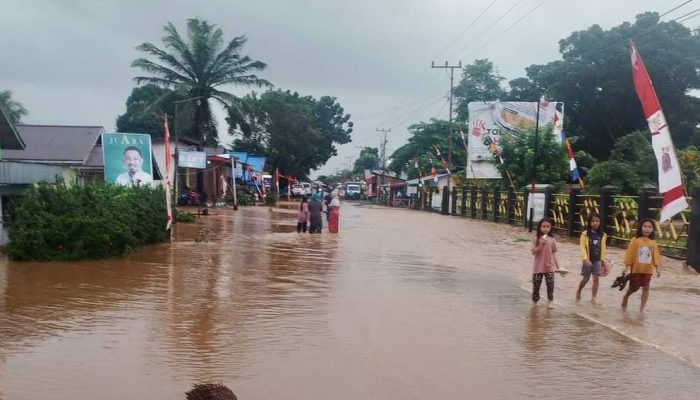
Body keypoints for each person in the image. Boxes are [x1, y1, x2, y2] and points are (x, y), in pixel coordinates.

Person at [621, 218, 661, 312]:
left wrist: (658, 268)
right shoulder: (635, 241)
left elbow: (656, 257)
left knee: (646, 288)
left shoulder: (653, 243)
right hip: (636, 269)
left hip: (647, 270)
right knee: (635, 288)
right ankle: (626, 296)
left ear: (652, 229)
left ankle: (642, 308)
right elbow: (629, 254)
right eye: (645, 226)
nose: (647, 229)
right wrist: (626, 266)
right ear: (641, 228)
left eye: (649, 227)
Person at [576, 213, 608, 304]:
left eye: (597, 221)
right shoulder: (585, 234)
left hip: (597, 260)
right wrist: (585, 259)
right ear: (589, 222)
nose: (595, 223)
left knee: (596, 279)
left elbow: (603, 247)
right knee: (585, 279)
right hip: (588, 260)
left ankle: (593, 297)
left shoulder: (603, 235)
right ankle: (579, 290)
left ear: (600, 222)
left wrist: (603, 260)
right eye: (593, 221)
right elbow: (582, 247)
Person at [530, 217, 562, 309]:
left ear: (550, 228)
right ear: (539, 227)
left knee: (550, 284)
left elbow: (554, 253)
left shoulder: (552, 239)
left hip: (549, 266)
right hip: (538, 267)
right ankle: (535, 302)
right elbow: (533, 252)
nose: (545, 228)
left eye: (548, 226)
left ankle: (550, 301)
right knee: (536, 285)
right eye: (543, 226)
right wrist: (541, 245)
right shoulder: (536, 238)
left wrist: (558, 266)